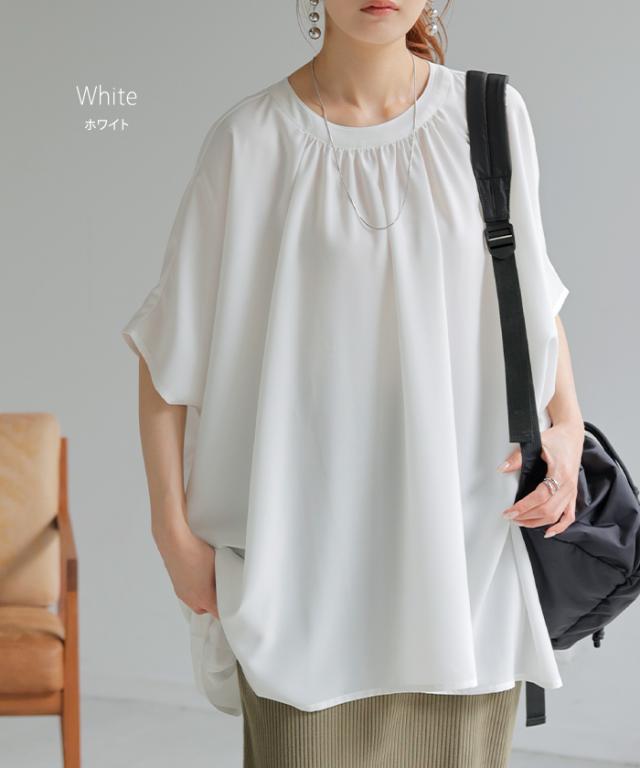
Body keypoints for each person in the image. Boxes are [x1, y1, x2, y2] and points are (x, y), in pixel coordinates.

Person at [122, 1, 585, 765]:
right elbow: (165, 347)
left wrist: (568, 426)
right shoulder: (251, 143)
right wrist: (172, 534)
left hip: (464, 561)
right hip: (301, 573)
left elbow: (532, 298)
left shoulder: (491, 116)